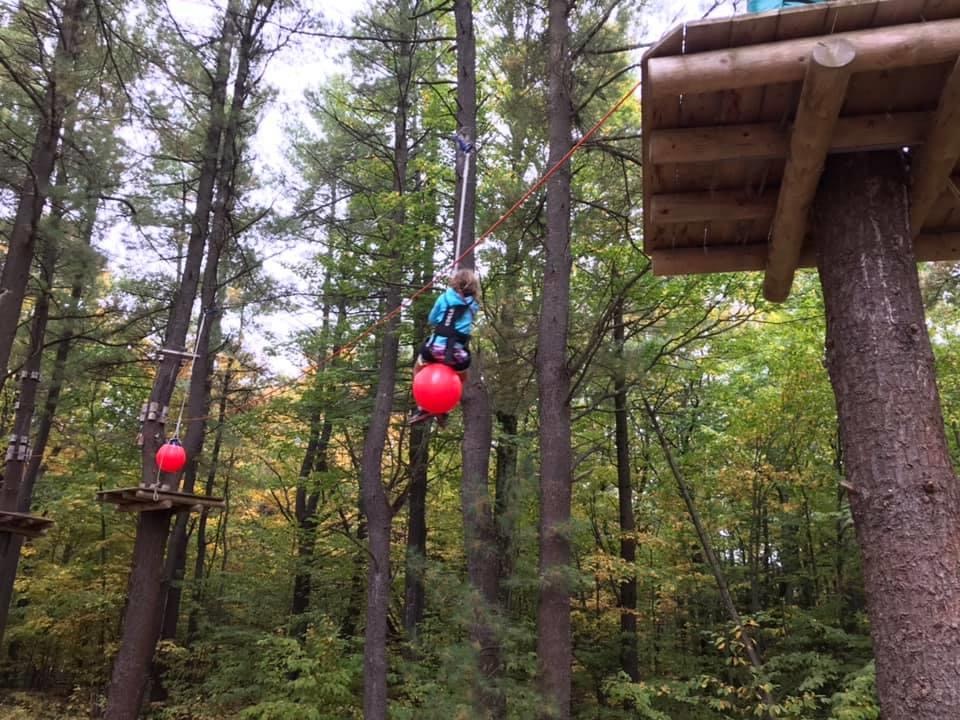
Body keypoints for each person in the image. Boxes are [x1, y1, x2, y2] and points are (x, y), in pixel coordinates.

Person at [408, 268, 481, 426]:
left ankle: (422, 406)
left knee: (417, 368)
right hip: (457, 355)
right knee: (463, 376)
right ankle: (445, 407)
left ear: (455, 282)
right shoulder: (473, 305)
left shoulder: (444, 298)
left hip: (435, 350)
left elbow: (432, 319)